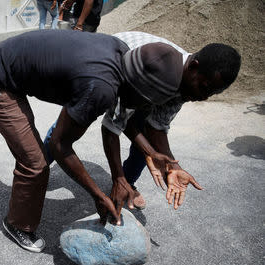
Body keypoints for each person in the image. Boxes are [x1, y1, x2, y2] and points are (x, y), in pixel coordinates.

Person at [0, 29, 240, 253]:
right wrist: (97, 194)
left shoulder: (127, 59)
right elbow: (62, 145)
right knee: (36, 161)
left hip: (11, 65)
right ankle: (17, 225)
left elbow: (122, 120)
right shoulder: (101, 88)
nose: (202, 95)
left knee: (10, 118)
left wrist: (156, 155)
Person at [44, 31, 241, 211]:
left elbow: (157, 127)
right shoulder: (156, 71)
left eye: (212, 94)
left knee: (148, 145)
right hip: (111, 72)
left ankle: (127, 185)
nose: (203, 97)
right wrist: (116, 177)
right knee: (69, 125)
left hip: (142, 89)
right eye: (205, 88)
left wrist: (172, 166)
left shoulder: (187, 84)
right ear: (194, 67)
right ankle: (40, 166)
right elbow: (113, 126)